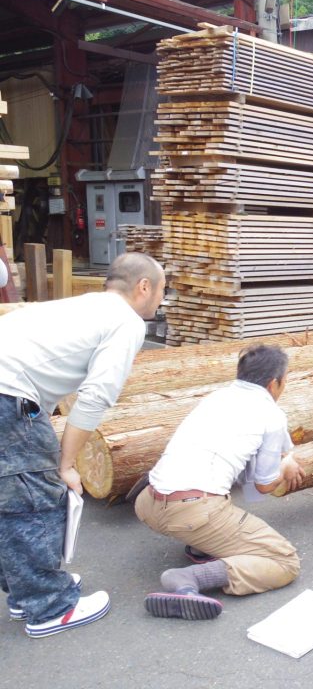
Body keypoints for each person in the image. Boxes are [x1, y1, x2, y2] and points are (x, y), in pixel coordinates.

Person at [0, 252, 165, 638]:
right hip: (8, 397)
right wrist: (66, 464)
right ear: (144, 287)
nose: (161, 298)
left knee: (9, 499)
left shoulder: (85, 306)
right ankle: (49, 607)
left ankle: (25, 592)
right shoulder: (125, 322)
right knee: (33, 502)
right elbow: (94, 398)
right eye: (161, 290)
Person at [135, 344, 305, 621]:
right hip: (191, 512)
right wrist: (285, 468)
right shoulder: (271, 414)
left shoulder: (215, 397)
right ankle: (187, 579)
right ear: (275, 383)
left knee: (222, 479)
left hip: (148, 502)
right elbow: (263, 485)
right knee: (284, 562)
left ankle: (204, 546)